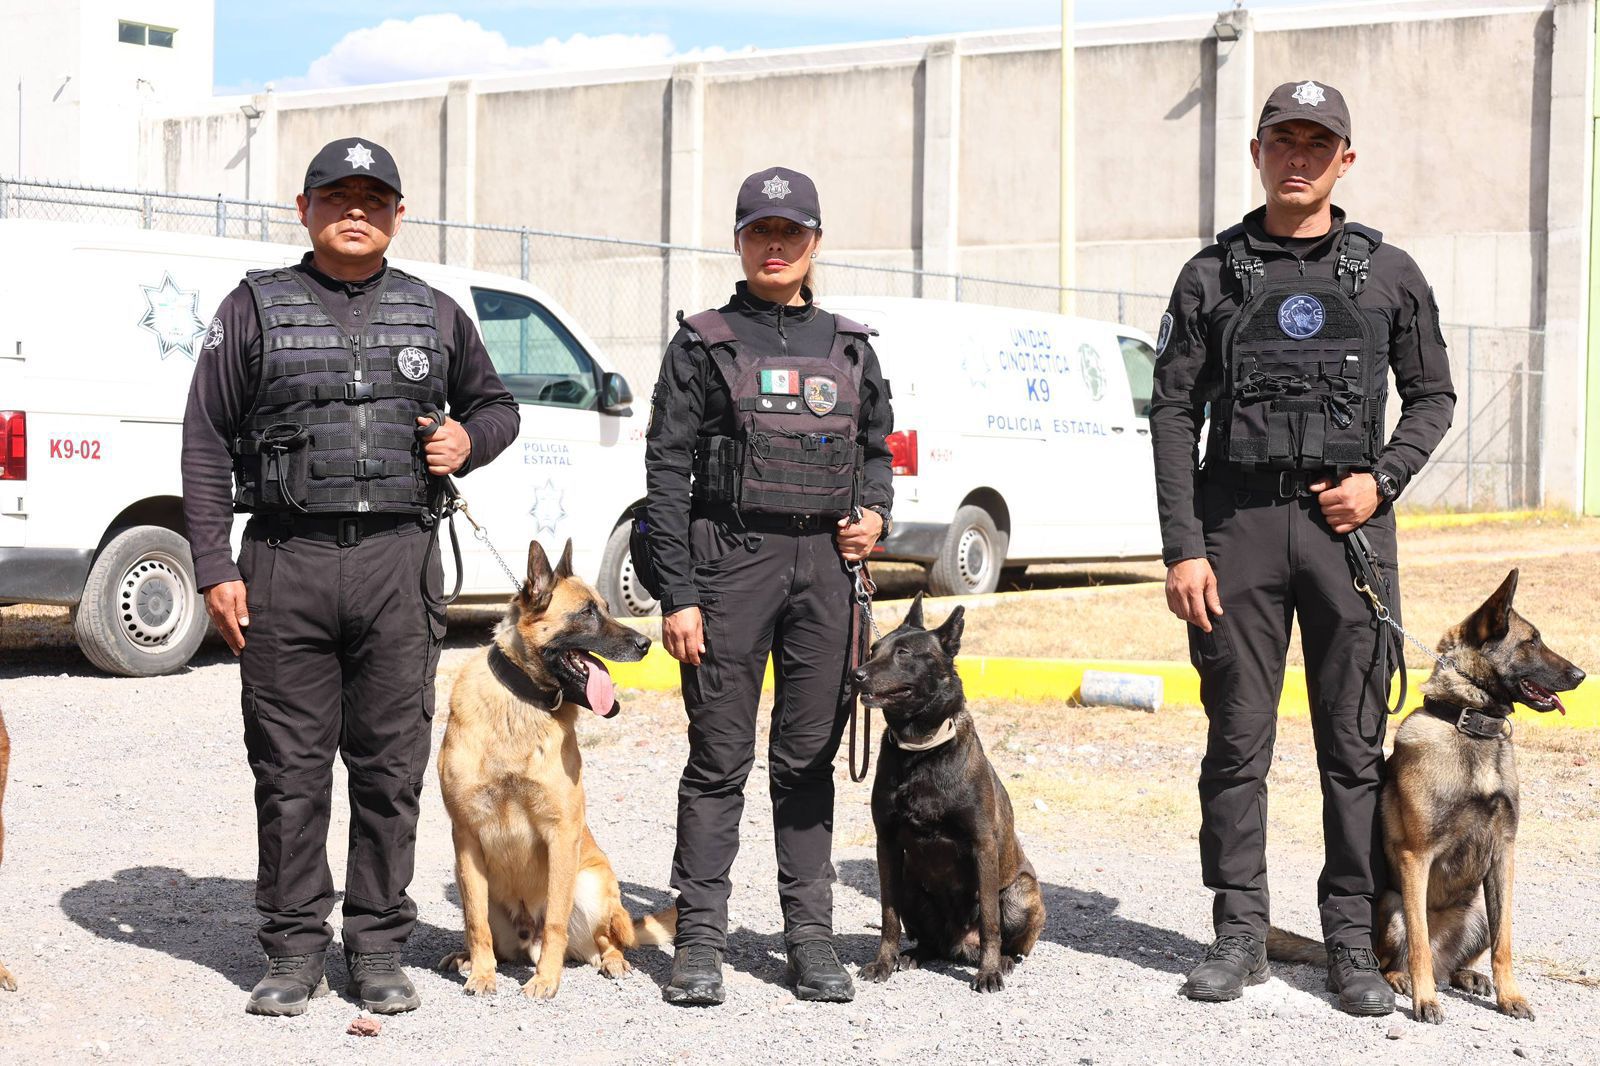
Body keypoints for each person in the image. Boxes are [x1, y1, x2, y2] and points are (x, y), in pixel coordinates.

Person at [181, 137, 520, 1017]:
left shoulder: (438, 313)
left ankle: (377, 946)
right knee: (289, 770)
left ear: (400, 215)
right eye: (336, 196)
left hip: (396, 566)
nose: (355, 211)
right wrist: (215, 563)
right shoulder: (253, 309)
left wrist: (468, 443)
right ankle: (292, 950)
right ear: (304, 209)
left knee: (388, 767)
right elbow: (207, 440)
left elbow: (498, 407)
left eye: (374, 198)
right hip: (285, 561)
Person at [1150, 82, 1455, 1015]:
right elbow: (1169, 410)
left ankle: (1352, 942)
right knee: (1237, 741)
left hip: (1346, 532)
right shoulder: (1210, 274)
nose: (1298, 156)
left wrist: (1384, 479)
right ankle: (1239, 932)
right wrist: (1183, 549)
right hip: (1236, 528)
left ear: (1345, 160)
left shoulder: (1390, 273)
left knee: (1353, 750)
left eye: (1317, 143)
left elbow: (1433, 397)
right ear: (1257, 150)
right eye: (1282, 139)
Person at [643, 166, 894, 1006]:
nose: (775, 245)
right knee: (718, 761)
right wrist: (677, 594)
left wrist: (877, 516)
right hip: (729, 565)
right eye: (760, 231)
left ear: (815, 241)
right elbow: (666, 472)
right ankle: (701, 942)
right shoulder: (701, 342)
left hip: (825, 570)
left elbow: (875, 450)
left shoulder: (851, 345)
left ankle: (810, 941)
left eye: (791, 232)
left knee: (806, 761)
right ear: (740, 240)